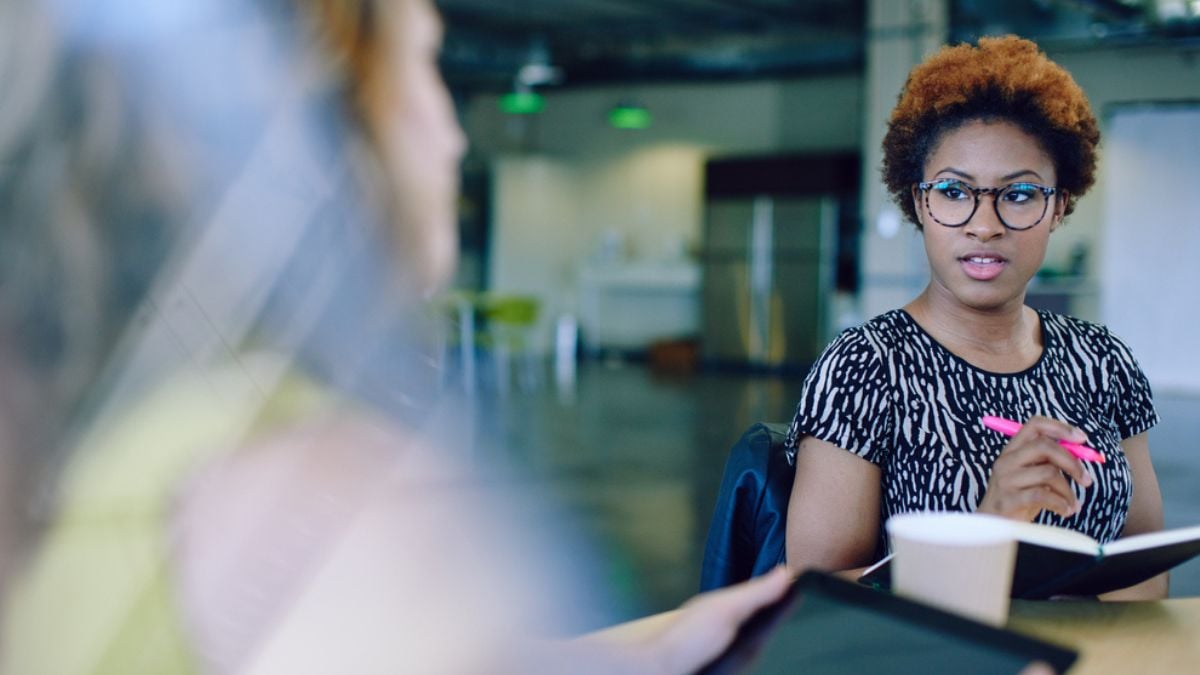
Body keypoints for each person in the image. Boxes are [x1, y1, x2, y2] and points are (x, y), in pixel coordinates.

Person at [0, 0, 791, 672]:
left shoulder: (120, 439)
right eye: (424, 68)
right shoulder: (330, 499)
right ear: (315, 113)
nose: (450, 136)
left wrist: (656, 642)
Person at [784, 35, 1167, 600]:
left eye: (1018, 195)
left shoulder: (1102, 361)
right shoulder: (865, 368)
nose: (983, 224)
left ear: (1059, 206)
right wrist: (988, 529)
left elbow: (1143, 568)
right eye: (953, 191)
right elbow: (816, 599)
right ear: (919, 203)